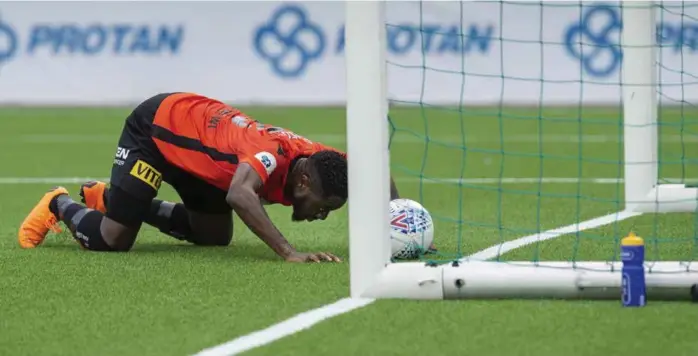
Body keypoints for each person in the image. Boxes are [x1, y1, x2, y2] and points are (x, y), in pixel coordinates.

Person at [18, 92, 402, 263]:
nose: (323, 216)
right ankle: (58, 201)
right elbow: (239, 194)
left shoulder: (321, 159)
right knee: (113, 239)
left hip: (201, 152)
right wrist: (289, 252)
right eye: (324, 207)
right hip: (155, 132)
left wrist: (397, 226)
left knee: (213, 236)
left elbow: (377, 168)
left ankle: (109, 198)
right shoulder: (269, 154)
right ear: (303, 184)